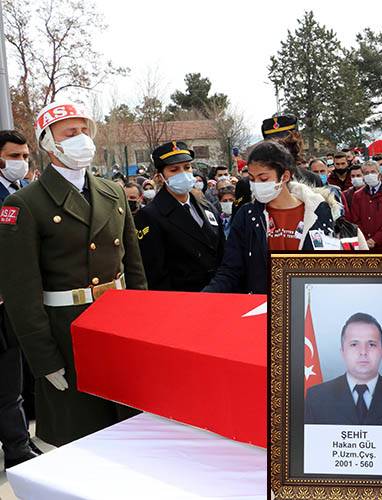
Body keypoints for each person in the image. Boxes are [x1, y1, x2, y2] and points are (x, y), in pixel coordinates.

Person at [0, 101, 146, 446]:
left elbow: (134, 268)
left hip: (119, 323)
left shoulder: (112, 193)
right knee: (85, 436)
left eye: (85, 131)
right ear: (49, 143)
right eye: (70, 132)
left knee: (130, 429)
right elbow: (22, 292)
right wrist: (44, 359)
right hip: (67, 331)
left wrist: (144, 329)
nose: (82, 139)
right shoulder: (25, 204)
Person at [203, 142, 367, 295]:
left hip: (309, 309)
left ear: (285, 176)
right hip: (263, 310)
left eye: (264, 178)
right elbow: (231, 270)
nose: (256, 185)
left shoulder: (321, 214)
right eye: (252, 179)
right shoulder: (247, 216)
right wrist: (202, 298)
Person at [134, 141, 224, 292]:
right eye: (174, 170)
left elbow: (221, 250)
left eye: (187, 167)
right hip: (182, 300)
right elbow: (155, 273)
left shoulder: (205, 205)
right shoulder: (150, 215)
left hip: (218, 292)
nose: (183, 173)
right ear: (161, 177)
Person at [0, 130, 40, 468]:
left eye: (25, 156)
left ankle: (18, 445)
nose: (21, 163)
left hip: (10, 305)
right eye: (15, 156)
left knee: (10, 381)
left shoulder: (23, 194)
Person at [304, 313, 382, 426]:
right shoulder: (317, 397)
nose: (363, 352)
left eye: (371, 344)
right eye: (354, 344)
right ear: (342, 352)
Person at [348, 160, 382, 251]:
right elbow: (355, 220)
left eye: (373, 172)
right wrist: (364, 240)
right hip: (364, 245)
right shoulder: (357, 195)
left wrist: (375, 240)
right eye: (366, 173)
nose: (370, 175)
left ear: (379, 174)